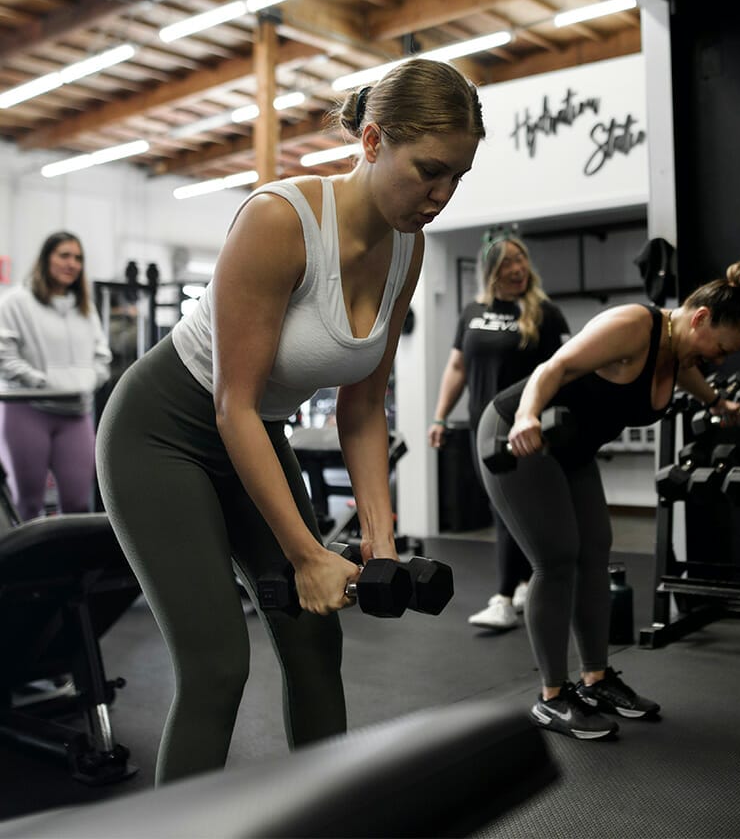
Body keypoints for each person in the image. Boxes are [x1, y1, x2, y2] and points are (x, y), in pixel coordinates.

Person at [95, 59, 484, 785]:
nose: (441, 196)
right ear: (373, 141)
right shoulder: (280, 220)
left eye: (457, 177)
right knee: (217, 666)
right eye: (430, 171)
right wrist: (306, 555)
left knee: (313, 644)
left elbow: (363, 407)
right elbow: (232, 404)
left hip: (255, 435)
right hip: (163, 433)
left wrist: (380, 540)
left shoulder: (409, 246)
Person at [476, 258, 740, 739]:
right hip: (519, 431)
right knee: (556, 558)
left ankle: (596, 679)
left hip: (572, 447)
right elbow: (554, 367)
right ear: (700, 319)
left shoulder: (679, 353)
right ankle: (551, 697)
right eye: (720, 348)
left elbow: (685, 374)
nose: (718, 360)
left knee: (595, 551)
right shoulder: (632, 325)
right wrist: (527, 417)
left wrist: (716, 402)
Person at [428, 230, 569, 630]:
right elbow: (457, 367)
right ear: (491, 270)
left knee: (509, 506)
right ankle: (524, 582)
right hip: (482, 426)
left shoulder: (545, 313)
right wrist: (440, 417)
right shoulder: (472, 312)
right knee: (503, 505)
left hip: (523, 424)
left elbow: (564, 368)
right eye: (508, 262)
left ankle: (504, 599)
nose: (518, 268)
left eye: (521, 259)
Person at [0, 232, 111, 520]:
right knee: (27, 504)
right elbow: (3, 355)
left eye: (78, 258)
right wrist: (41, 382)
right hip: (27, 410)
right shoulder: (16, 302)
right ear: (46, 259)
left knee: (78, 504)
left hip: (76, 413)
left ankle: (72, 554)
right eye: (64, 255)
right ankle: (30, 553)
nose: (72, 263)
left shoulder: (85, 309)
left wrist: (88, 380)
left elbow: (102, 356)